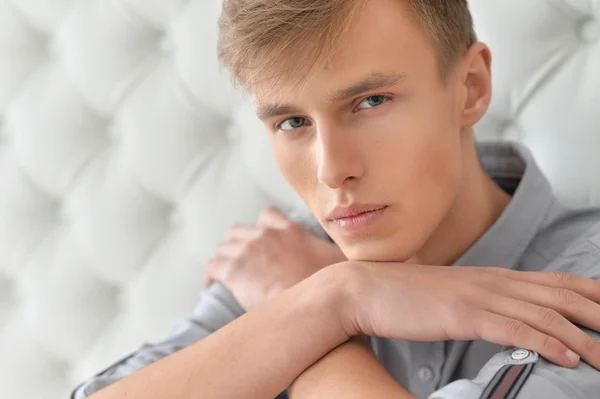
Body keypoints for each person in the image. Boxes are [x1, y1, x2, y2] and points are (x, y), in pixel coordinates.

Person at [72, 0, 600, 398]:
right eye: (293, 122)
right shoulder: (292, 255)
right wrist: (335, 299)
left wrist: (317, 307)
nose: (332, 170)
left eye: (370, 101)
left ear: (470, 87)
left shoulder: (585, 287)